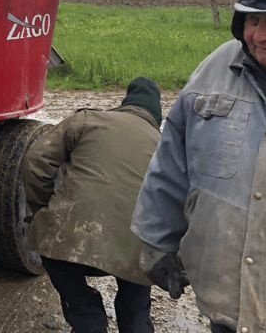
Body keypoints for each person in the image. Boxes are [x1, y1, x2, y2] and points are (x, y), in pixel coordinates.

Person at [132, 0, 266, 333]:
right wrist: (157, 242)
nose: (259, 35)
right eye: (252, 19)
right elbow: (172, 161)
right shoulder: (218, 68)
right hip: (227, 303)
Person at [23, 77, 163, 333]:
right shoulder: (167, 148)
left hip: (70, 239)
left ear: (125, 103)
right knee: (137, 297)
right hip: (134, 250)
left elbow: (36, 161)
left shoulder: (88, 120)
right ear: (156, 115)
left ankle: (87, 316)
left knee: (57, 254)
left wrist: (43, 210)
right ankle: (136, 323)